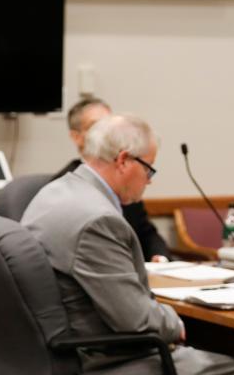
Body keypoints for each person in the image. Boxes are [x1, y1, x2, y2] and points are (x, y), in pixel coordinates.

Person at [23, 114, 234, 375]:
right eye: (150, 169)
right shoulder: (97, 219)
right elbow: (136, 321)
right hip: (106, 362)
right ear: (124, 160)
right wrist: (175, 323)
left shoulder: (54, 192)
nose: (150, 182)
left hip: (54, 353)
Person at [54, 97, 173, 261]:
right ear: (76, 137)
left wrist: (160, 258)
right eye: (96, 126)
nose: (106, 132)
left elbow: (146, 232)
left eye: (109, 125)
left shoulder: (126, 182)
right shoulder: (63, 187)